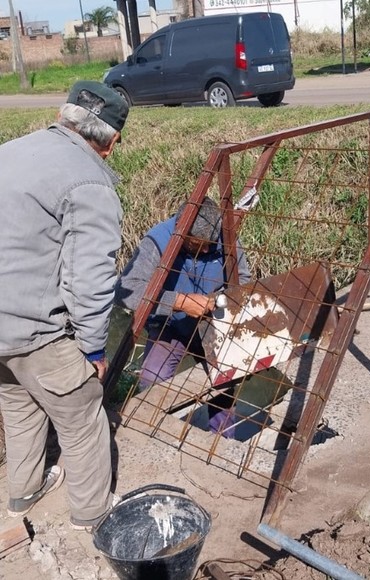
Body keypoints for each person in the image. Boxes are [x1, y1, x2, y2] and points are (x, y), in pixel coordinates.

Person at [0, 81, 129, 530]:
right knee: (82, 414)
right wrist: (93, 349)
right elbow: (89, 279)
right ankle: (92, 513)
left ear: (65, 115)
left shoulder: (10, 152)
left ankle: (23, 493)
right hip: (35, 330)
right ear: (112, 141)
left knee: (19, 409)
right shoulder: (89, 181)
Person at [114, 197, 251, 390]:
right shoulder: (159, 240)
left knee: (225, 383)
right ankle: (161, 419)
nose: (204, 249)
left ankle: (221, 418)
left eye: (209, 244)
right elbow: (125, 291)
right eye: (196, 245)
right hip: (171, 324)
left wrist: (222, 300)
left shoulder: (226, 238)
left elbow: (244, 279)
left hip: (215, 322)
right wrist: (179, 302)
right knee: (153, 378)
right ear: (180, 229)